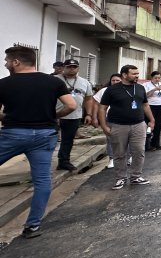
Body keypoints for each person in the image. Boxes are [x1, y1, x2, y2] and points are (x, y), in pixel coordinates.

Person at [0, 46, 76, 238]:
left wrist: (5, 118)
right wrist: (54, 116)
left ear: (16, 62)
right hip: (44, 135)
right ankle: (32, 225)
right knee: (42, 180)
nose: (6, 63)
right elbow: (72, 105)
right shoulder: (53, 82)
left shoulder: (4, 84)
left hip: (13, 134)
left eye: (7, 60)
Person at [98, 64, 154, 190]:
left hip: (139, 125)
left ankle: (136, 176)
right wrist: (104, 126)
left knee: (139, 151)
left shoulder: (139, 88)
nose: (137, 76)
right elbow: (102, 108)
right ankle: (120, 178)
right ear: (124, 75)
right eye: (134, 74)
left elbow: (145, 105)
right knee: (119, 153)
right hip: (118, 126)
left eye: (137, 73)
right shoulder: (111, 90)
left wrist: (151, 119)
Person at [55, 58, 94, 171]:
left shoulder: (84, 82)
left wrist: (89, 114)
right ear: (63, 68)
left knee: (68, 140)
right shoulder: (54, 80)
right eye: (69, 67)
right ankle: (43, 163)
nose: (72, 69)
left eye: (74, 67)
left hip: (74, 115)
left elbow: (88, 99)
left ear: (78, 68)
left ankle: (64, 161)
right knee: (50, 140)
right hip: (55, 115)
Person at [92, 73, 123, 168]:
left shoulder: (126, 90)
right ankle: (112, 158)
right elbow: (96, 104)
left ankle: (128, 156)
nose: (115, 82)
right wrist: (94, 117)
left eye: (117, 80)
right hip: (108, 118)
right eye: (113, 80)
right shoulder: (104, 90)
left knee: (125, 139)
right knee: (111, 139)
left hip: (124, 118)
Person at [143, 70, 161, 150]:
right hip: (150, 106)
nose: (157, 79)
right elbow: (145, 96)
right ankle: (147, 144)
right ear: (151, 78)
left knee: (158, 125)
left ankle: (156, 143)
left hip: (160, 106)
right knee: (149, 124)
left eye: (159, 78)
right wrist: (154, 89)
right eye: (155, 78)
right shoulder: (146, 85)